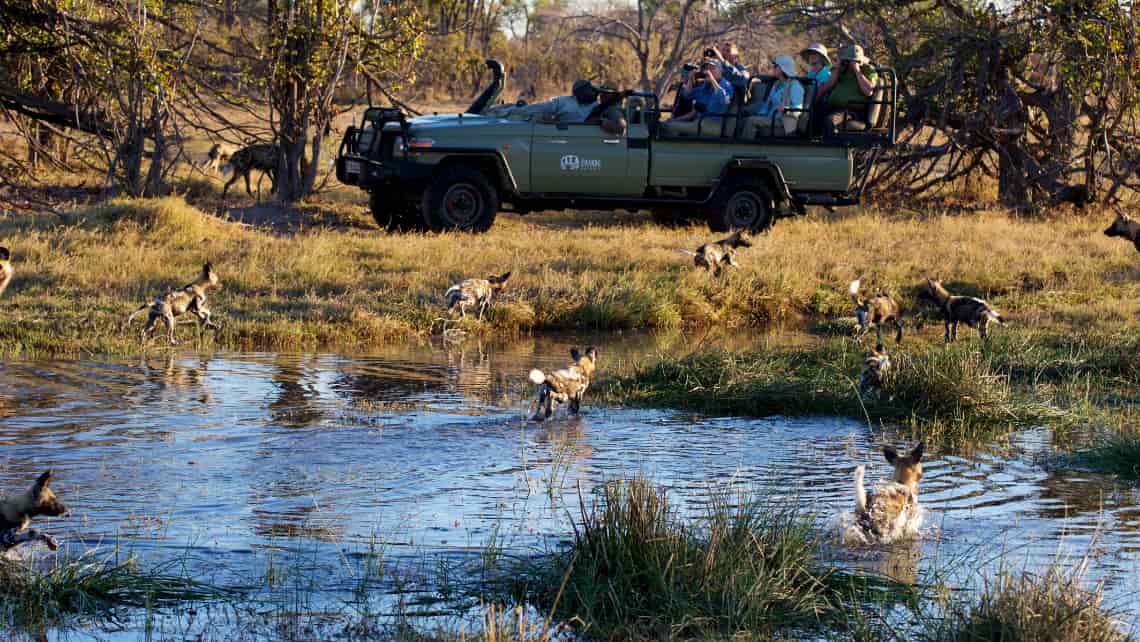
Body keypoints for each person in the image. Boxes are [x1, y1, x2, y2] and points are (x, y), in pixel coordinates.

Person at [811, 44, 877, 136]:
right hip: (833, 107)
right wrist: (837, 69)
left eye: (850, 61)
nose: (848, 63)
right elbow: (827, 86)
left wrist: (857, 71)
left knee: (830, 121)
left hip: (851, 111)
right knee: (811, 115)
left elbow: (868, 91)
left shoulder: (868, 70)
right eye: (847, 60)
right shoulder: (843, 70)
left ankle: (830, 147)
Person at [746, 55, 804, 136]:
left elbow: (798, 110)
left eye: (776, 66)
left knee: (751, 121)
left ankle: (745, 147)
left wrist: (786, 110)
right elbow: (767, 104)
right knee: (748, 118)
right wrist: (761, 114)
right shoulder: (776, 84)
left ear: (783, 68)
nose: (773, 68)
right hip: (771, 119)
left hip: (783, 124)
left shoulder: (795, 86)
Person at [492, 79, 599, 122]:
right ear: (577, 93)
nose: (590, 93)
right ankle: (500, 111)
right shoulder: (565, 102)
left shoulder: (596, 106)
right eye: (586, 90)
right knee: (521, 110)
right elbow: (540, 107)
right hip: (563, 136)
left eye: (591, 90)